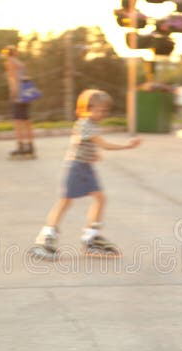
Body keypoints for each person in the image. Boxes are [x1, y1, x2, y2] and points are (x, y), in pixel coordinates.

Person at [31, 89, 141, 258]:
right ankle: (46, 237)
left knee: (100, 198)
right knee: (65, 202)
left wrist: (92, 154)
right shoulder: (84, 124)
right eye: (100, 110)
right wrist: (127, 145)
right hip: (76, 168)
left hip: (86, 167)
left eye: (105, 111)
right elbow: (103, 144)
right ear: (86, 109)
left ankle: (91, 237)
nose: (103, 114)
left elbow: (83, 144)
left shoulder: (91, 124)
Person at [2, 45, 35, 159]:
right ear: (15, 53)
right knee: (26, 120)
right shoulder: (21, 64)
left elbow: (12, 78)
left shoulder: (9, 63)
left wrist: (14, 91)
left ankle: (21, 146)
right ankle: (30, 146)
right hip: (26, 92)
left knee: (17, 121)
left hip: (18, 93)